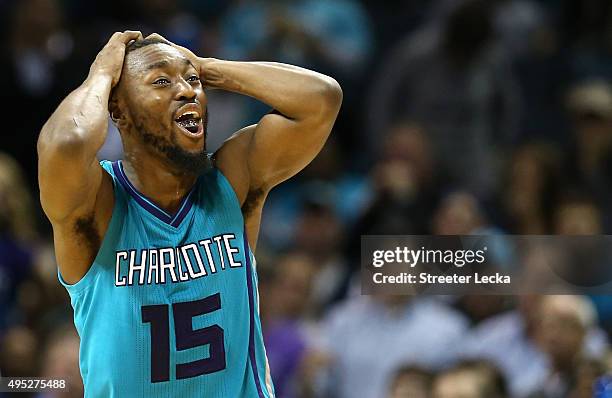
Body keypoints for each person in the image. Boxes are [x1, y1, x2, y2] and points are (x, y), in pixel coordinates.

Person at [37, 30, 342, 397]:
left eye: (192, 81)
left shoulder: (232, 179)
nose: (186, 91)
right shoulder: (98, 205)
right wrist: (101, 73)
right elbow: (67, 141)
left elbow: (322, 100)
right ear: (119, 110)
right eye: (161, 82)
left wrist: (208, 68)